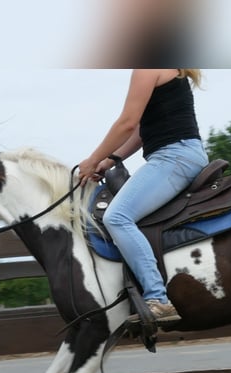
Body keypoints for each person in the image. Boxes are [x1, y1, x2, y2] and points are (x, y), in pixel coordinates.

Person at [78, 69, 208, 323]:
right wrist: (108, 160)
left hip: (173, 156)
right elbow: (140, 131)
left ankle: (158, 299)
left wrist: (92, 160)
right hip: (180, 153)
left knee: (117, 217)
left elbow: (126, 122)